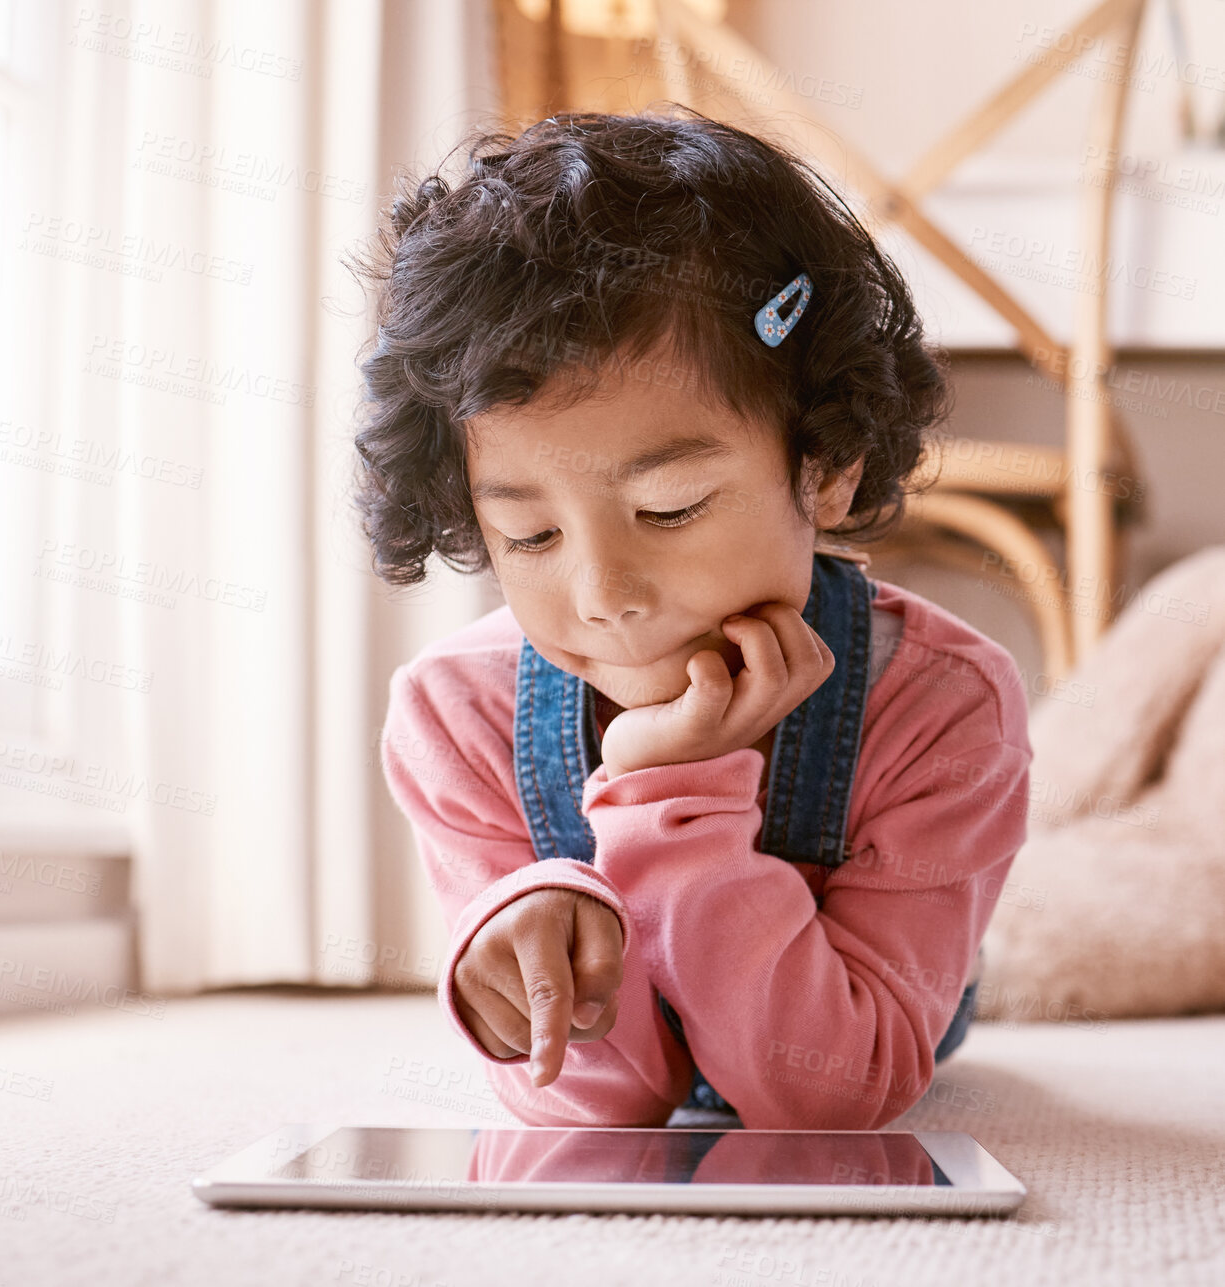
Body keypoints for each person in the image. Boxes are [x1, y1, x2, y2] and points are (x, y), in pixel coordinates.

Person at [347, 108, 1032, 1130]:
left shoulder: (940, 707)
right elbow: (601, 1109)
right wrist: (539, 938)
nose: (604, 593)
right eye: (530, 537)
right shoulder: (456, 717)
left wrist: (671, 800)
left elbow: (828, 1098)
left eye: (669, 509)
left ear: (827, 466)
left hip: (875, 1006)